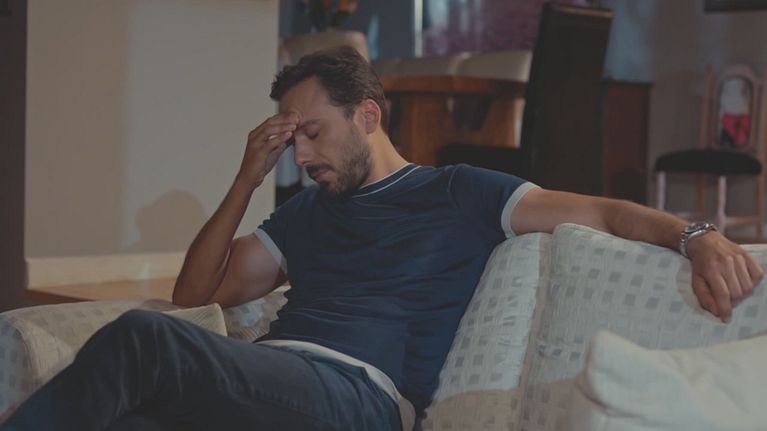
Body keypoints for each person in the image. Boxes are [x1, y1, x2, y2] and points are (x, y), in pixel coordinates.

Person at [2, 46, 762, 431]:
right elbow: (195, 293)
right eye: (290, 140)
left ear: (367, 115)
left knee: (143, 341)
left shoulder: (458, 190)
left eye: (312, 132)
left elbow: (602, 212)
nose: (301, 155)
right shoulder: (305, 213)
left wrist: (695, 234)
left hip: (359, 397)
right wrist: (245, 178)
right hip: (278, 380)